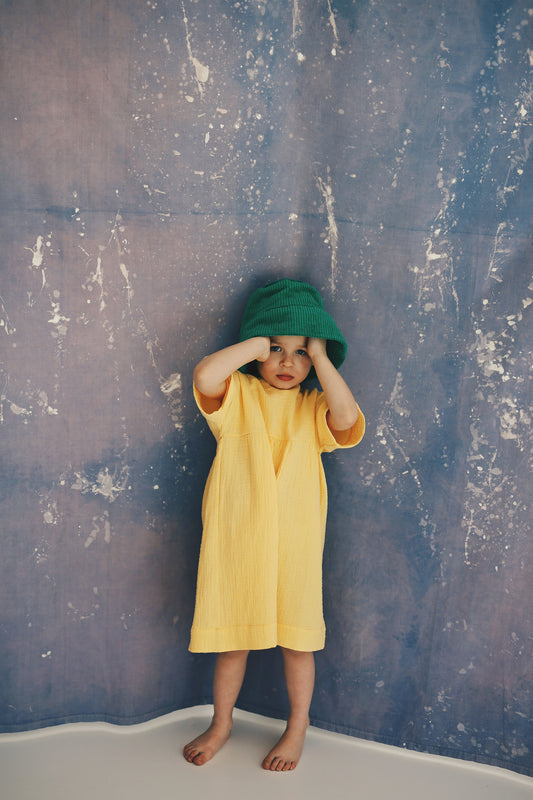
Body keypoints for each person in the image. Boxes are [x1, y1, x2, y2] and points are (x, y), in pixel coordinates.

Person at [183, 279, 365, 771]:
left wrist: (323, 358)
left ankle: (297, 726)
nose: (287, 363)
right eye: (276, 350)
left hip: (296, 546)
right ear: (258, 352)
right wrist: (251, 344)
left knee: (298, 642)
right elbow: (204, 376)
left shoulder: (314, 407)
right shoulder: (238, 394)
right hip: (239, 540)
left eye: (300, 353)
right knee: (233, 640)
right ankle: (222, 722)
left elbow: (347, 416)